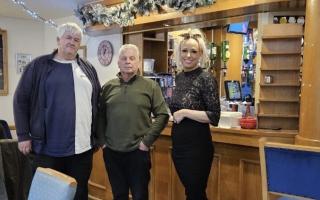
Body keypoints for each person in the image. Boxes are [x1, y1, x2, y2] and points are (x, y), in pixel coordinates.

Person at [13, 22, 102, 200]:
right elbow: (20, 99)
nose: (72, 42)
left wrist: (98, 136)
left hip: (82, 149)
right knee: (48, 195)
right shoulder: (38, 66)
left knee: (79, 193)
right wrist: (23, 135)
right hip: (47, 149)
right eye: (68, 37)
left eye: (76, 39)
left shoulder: (88, 68)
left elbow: (98, 103)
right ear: (58, 40)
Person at [97, 44, 169, 200]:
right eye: (124, 58)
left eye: (132, 58)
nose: (128, 61)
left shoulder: (150, 86)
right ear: (118, 62)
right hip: (112, 152)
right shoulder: (108, 87)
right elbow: (100, 116)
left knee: (140, 195)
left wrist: (146, 142)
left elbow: (163, 114)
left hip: (138, 153)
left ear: (139, 62)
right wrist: (103, 142)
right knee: (119, 195)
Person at [169, 29, 221, 200]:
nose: (188, 55)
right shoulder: (179, 77)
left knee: (195, 193)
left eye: (194, 51)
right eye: (184, 51)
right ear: (179, 53)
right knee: (192, 193)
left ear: (201, 54)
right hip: (179, 147)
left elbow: (214, 116)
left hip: (198, 148)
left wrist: (184, 112)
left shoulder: (206, 78)